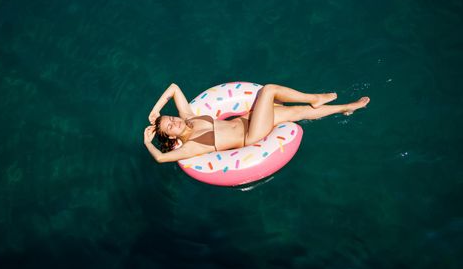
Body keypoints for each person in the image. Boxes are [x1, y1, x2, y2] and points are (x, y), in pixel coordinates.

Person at [144, 83, 370, 163]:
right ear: (172, 136)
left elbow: (174, 88)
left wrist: (155, 111)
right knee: (269, 90)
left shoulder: (190, 119)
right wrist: (148, 142)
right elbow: (162, 158)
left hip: (247, 120)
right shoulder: (192, 146)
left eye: (171, 118)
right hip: (252, 135)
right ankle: (315, 98)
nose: (175, 121)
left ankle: (346, 108)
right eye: (170, 126)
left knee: (297, 112)